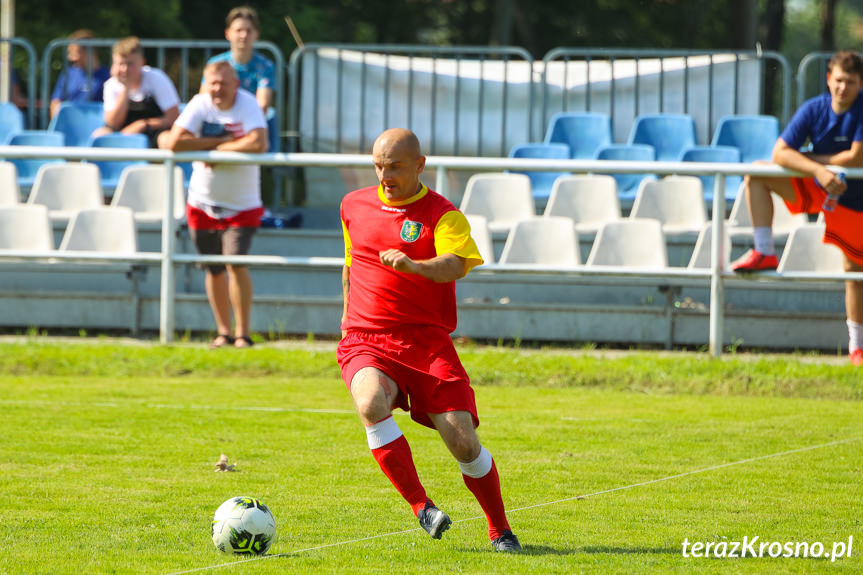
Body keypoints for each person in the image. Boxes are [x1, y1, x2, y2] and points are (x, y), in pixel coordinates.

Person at [337, 128, 521, 552]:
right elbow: (350, 265)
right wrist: (345, 322)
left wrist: (414, 266)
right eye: (379, 165)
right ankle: (422, 506)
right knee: (369, 402)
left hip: (427, 343)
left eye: (395, 166)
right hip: (367, 338)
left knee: (462, 440)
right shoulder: (352, 205)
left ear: (419, 165)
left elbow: (456, 265)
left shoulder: (443, 214)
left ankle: (500, 529)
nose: (385, 174)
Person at [731, 50, 863, 366]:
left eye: (852, 82)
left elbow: (856, 158)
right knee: (757, 173)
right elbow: (780, 153)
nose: (843, 88)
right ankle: (764, 250)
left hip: (855, 201)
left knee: (854, 272)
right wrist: (819, 171)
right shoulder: (813, 108)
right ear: (829, 79)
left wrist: (813, 161)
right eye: (839, 80)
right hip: (821, 187)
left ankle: (856, 349)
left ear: (861, 85)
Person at [159, 60, 268, 349]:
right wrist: (217, 143)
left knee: (235, 263)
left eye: (223, 82)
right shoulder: (199, 103)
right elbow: (174, 142)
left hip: (242, 204)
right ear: (206, 84)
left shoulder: (247, 104)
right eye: (212, 83)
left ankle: (243, 333)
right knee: (213, 268)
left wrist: (216, 150)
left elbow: (258, 142)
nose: (217, 89)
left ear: (236, 84)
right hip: (202, 202)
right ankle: (223, 332)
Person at [93, 36, 180, 147]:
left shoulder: (157, 78)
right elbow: (112, 123)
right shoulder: (111, 85)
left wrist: (142, 124)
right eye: (120, 64)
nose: (124, 69)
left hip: (155, 132)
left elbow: (173, 118)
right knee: (100, 135)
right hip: (123, 133)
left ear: (142, 63)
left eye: (130, 64)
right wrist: (125, 89)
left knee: (168, 141)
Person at [206, 6, 274, 113]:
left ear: (256, 34)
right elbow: (204, 100)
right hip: (218, 121)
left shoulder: (265, 66)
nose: (244, 35)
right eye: (239, 30)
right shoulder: (215, 64)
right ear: (227, 33)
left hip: (251, 123)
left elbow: (262, 105)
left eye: (248, 31)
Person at [49, 29, 111, 118]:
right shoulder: (68, 74)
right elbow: (55, 102)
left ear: (89, 51)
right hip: (69, 122)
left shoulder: (107, 76)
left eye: (76, 53)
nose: (71, 58)